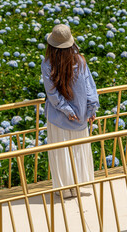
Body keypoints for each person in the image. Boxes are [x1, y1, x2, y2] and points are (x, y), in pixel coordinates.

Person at [41, 24, 100, 198]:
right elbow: (90, 88)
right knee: (77, 152)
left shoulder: (47, 64)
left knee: (61, 154)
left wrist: (67, 110)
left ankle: (64, 190)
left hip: (59, 117)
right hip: (81, 116)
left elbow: (52, 94)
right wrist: (91, 109)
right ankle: (77, 186)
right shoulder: (80, 61)